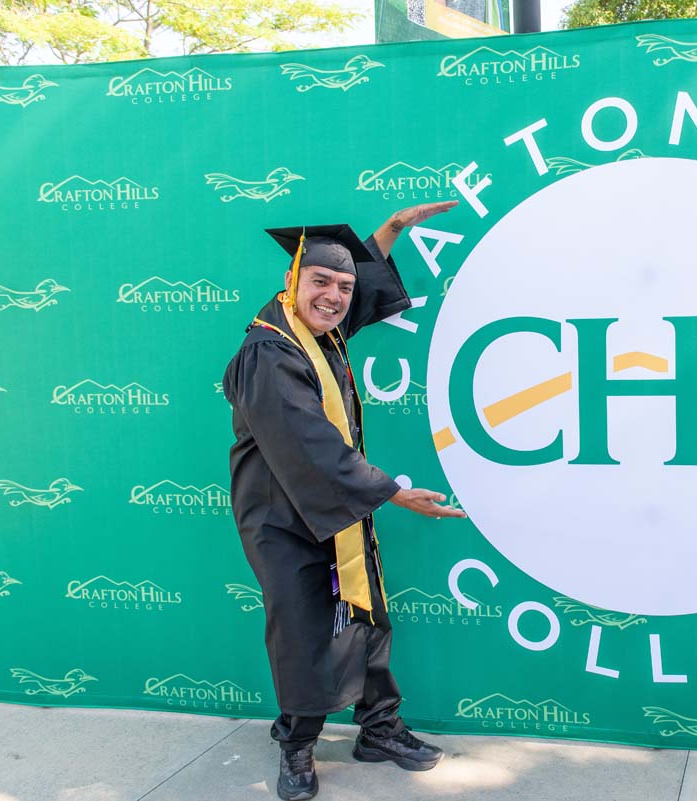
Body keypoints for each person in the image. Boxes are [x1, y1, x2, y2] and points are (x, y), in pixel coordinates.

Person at [221, 203, 466, 801]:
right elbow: (309, 447)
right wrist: (395, 494)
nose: (333, 297)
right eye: (321, 281)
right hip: (283, 518)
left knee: (366, 615)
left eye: (343, 285)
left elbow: (349, 306)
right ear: (292, 281)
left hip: (336, 513)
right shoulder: (271, 352)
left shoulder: (313, 332)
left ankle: (379, 728)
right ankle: (298, 748)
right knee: (303, 632)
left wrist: (388, 233)